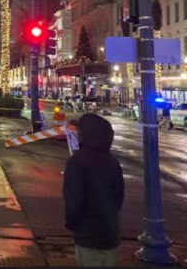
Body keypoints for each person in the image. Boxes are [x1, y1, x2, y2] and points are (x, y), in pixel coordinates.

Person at [63, 113, 124, 267]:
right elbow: (119, 197)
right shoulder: (112, 161)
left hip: (88, 234)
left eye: (79, 131)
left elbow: (74, 199)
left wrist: (73, 224)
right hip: (110, 233)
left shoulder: (77, 161)